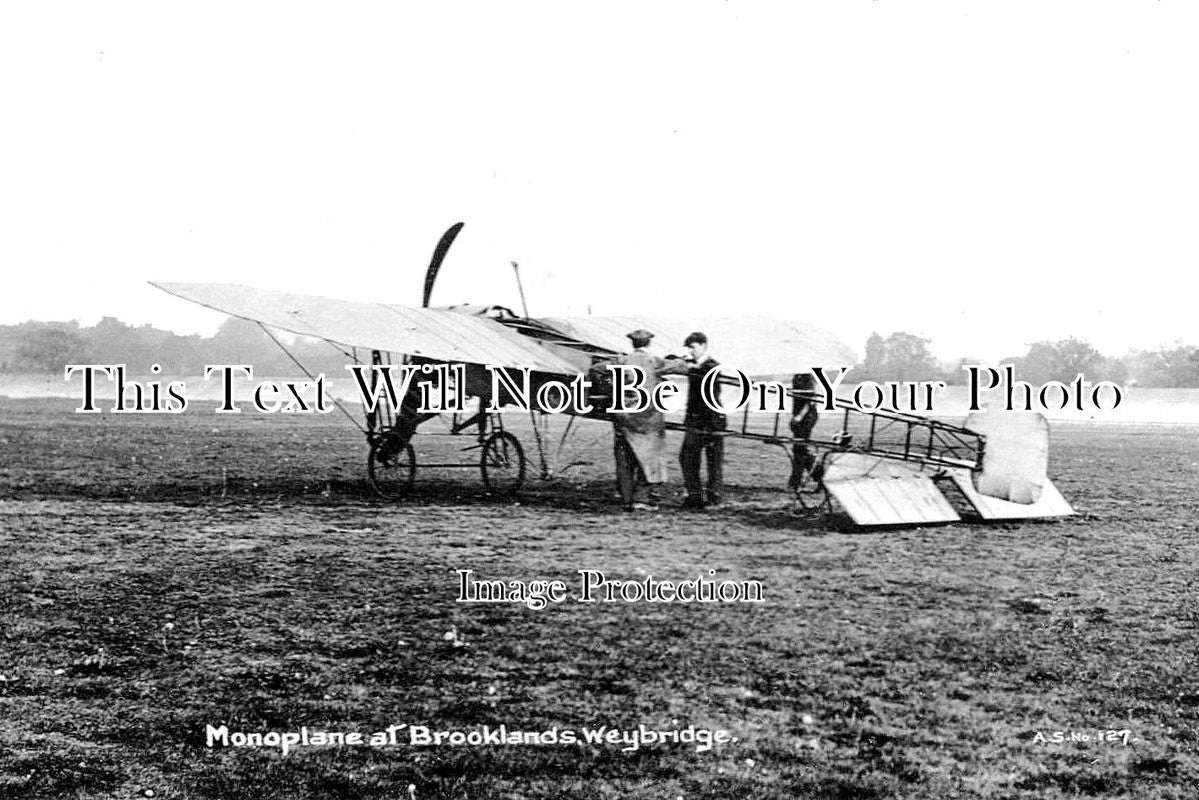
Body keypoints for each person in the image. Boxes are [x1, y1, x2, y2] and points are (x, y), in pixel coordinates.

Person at [602, 329, 667, 511]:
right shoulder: (655, 361)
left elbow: (596, 370)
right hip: (649, 419)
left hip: (626, 417)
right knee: (649, 457)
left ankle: (626, 499)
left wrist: (612, 395)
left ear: (632, 343)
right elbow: (681, 367)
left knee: (624, 459)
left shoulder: (622, 361)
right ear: (648, 343)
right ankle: (646, 497)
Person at [662, 331, 725, 509]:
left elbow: (702, 374)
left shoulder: (712, 366)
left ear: (704, 345)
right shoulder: (698, 365)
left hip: (710, 420)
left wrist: (686, 365)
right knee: (689, 457)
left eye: (693, 347)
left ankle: (713, 496)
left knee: (712, 460)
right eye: (689, 347)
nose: (691, 351)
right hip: (698, 420)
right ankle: (697, 496)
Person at [787, 372, 820, 491]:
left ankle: (796, 482)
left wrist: (798, 417)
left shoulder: (805, 378)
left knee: (799, 450)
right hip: (804, 416)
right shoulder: (800, 377)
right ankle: (817, 478)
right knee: (800, 450)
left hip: (806, 417)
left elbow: (809, 401)